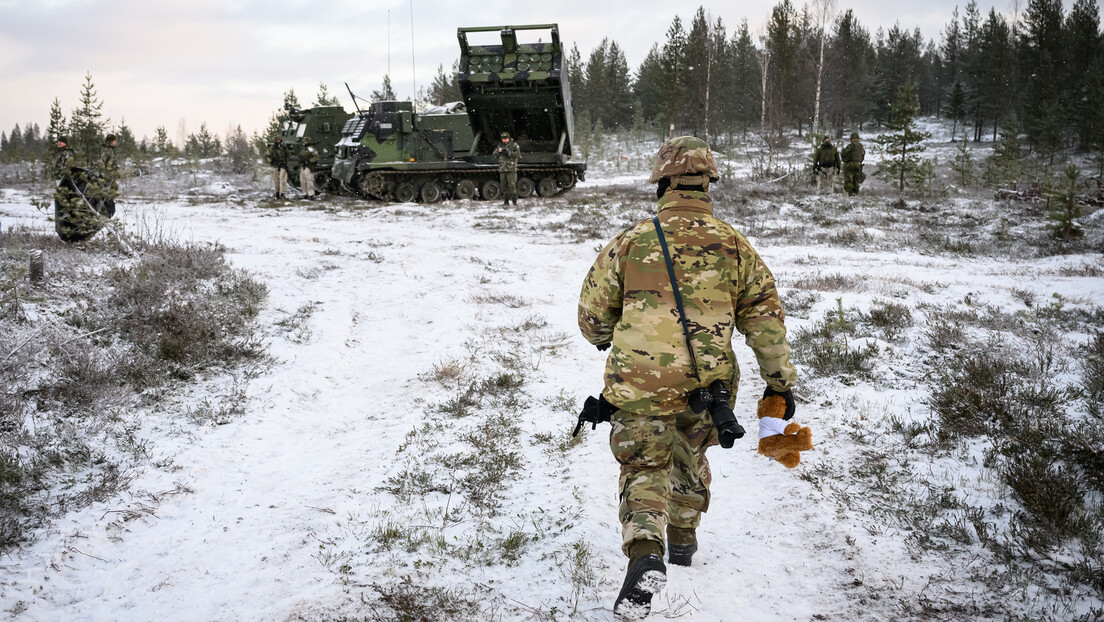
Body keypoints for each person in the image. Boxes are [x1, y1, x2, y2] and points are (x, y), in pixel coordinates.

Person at [577, 136, 798, 619]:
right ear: (708, 183)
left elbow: (592, 314)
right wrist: (779, 383)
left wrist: (602, 338)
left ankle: (646, 555)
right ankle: (681, 542)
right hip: (707, 389)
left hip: (637, 387)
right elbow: (765, 321)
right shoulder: (736, 247)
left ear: (662, 183)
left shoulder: (632, 241)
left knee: (644, 466)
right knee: (690, 453)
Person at [496, 131, 520, 205]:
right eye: (503, 139)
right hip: (503, 169)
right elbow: (495, 154)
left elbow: (517, 154)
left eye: (505, 138)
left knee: (512, 185)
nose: (504, 140)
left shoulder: (514, 145)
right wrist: (499, 151)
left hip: (511, 168)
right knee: (504, 186)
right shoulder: (500, 145)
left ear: (508, 138)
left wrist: (508, 153)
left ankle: (514, 201)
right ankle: (506, 201)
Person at [841, 132, 865, 196]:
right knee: (856, 179)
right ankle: (856, 192)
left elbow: (845, 154)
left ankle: (850, 193)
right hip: (858, 164)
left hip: (850, 164)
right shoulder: (861, 146)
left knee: (849, 179)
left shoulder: (850, 146)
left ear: (851, 139)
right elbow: (862, 156)